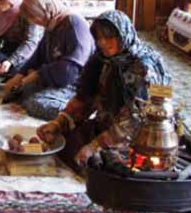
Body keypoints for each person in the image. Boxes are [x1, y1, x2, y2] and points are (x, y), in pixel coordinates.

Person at [36, 10, 171, 171]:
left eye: (108, 37)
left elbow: (136, 120)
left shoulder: (143, 67)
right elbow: (86, 98)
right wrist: (59, 122)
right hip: (108, 122)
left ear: (123, 35)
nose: (102, 43)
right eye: (99, 38)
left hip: (142, 136)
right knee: (61, 143)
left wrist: (94, 147)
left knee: (104, 166)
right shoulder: (102, 59)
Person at [2, 0, 95, 120]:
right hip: (56, 79)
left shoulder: (74, 24)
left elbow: (70, 72)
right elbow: (38, 55)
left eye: (35, 17)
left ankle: (76, 114)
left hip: (75, 85)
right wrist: (19, 76)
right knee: (19, 93)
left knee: (35, 103)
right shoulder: (53, 24)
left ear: (47, 10)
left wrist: (37, 75)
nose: (34, 21)